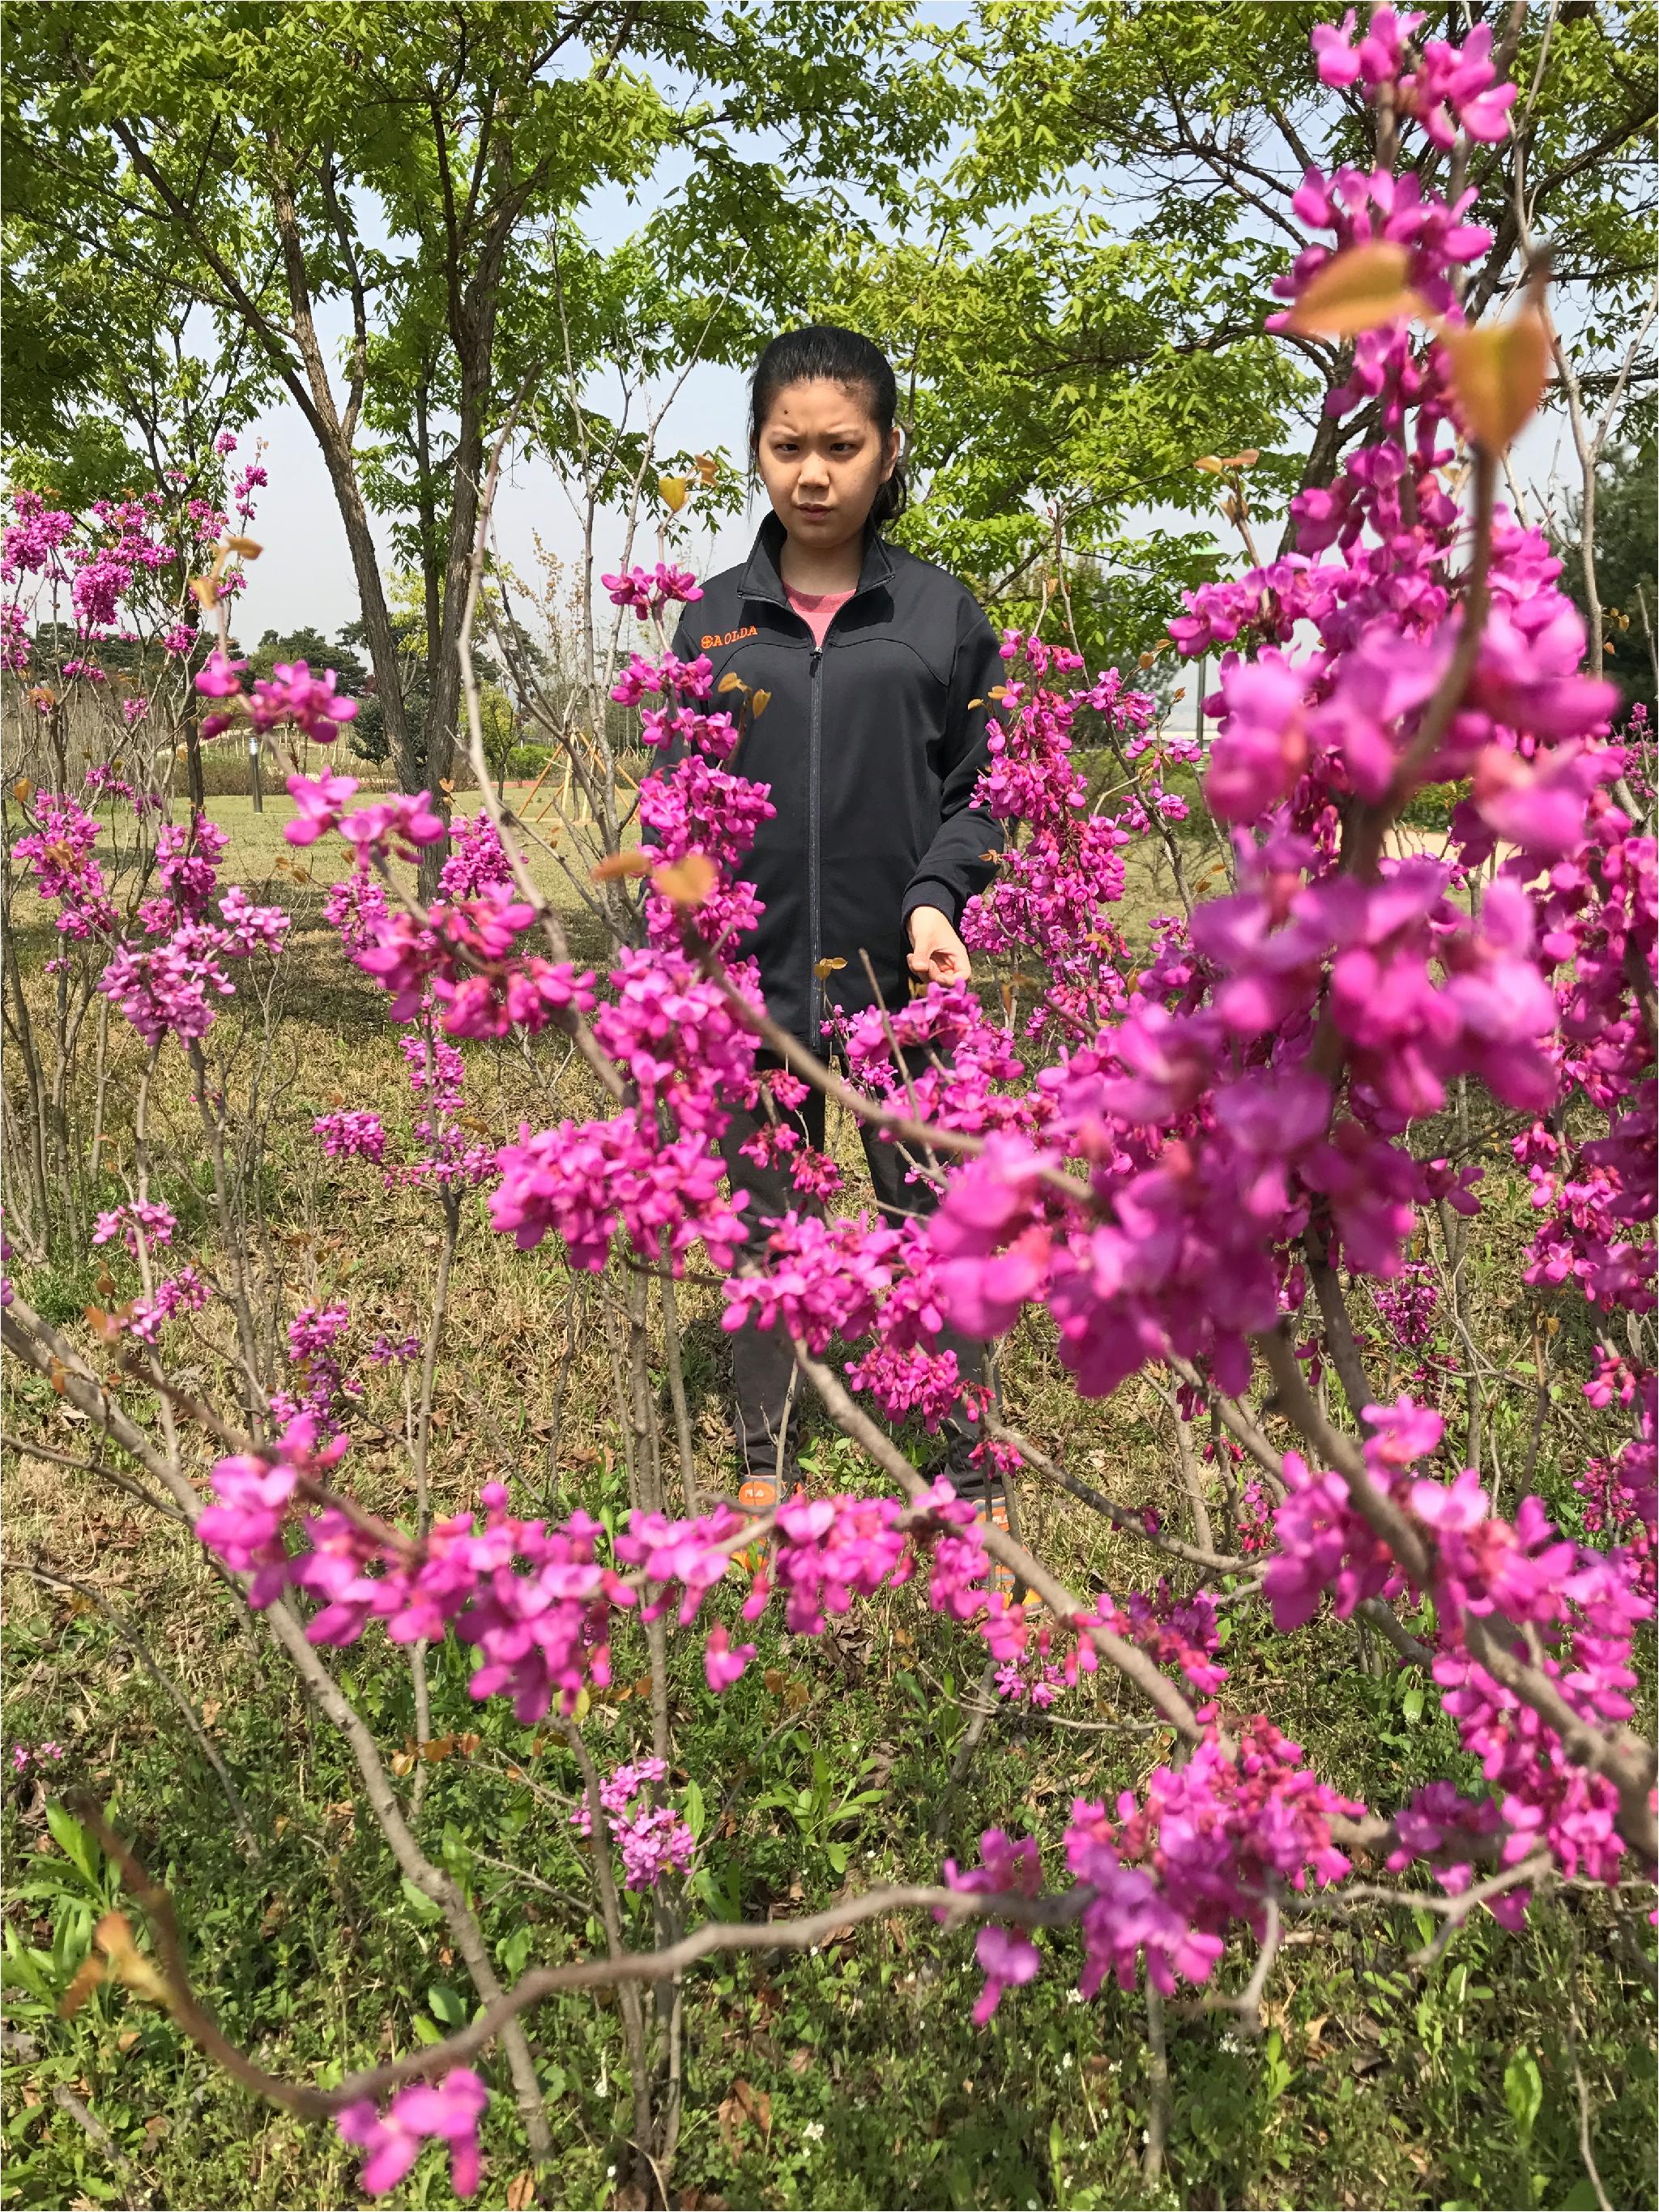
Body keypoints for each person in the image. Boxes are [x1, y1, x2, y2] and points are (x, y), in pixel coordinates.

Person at [668, 324, 1009, 1531]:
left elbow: (984, 789)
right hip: (752, 991)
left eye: (841, 447)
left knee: (935, 1213)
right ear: (756, 454)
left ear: (888, 451)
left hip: (898, 981)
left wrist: (936, 896)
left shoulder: (939, 616)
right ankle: (766, 1455)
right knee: (763, 1226)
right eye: (787, 447)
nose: (812, 474)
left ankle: (972, 1465)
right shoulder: (709, 624)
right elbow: (677, 809)